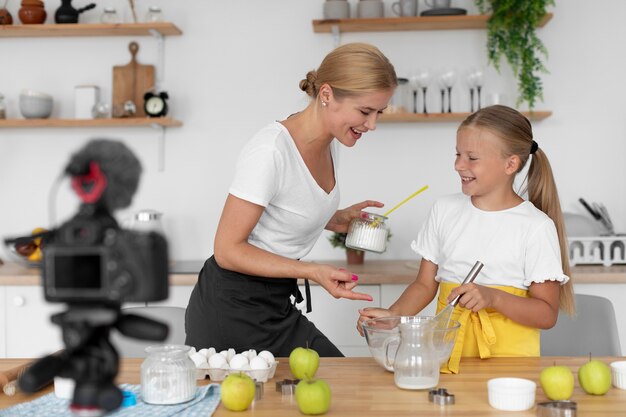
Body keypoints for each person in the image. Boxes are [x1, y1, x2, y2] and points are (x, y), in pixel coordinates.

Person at [185, 43, 398, 357]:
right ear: (326, 95)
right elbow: (227, 250)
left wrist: (338, 218)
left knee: (333, 388)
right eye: (365, 111)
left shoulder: (330, 142)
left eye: (379, 112)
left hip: (275, 303)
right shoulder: (270, 151)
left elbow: (289, 206)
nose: (372, 124)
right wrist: (311, 271)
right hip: (231, 307)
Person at [358, 105, 575, 372]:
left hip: (512, 369)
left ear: (511, 164)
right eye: (458, 154)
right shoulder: (444, 210)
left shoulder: (536, 227)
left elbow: (546, 313)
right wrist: (394, 315)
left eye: (472, 157)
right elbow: (424, 285)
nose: (458, 165)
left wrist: (494, 298)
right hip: (446, 359)